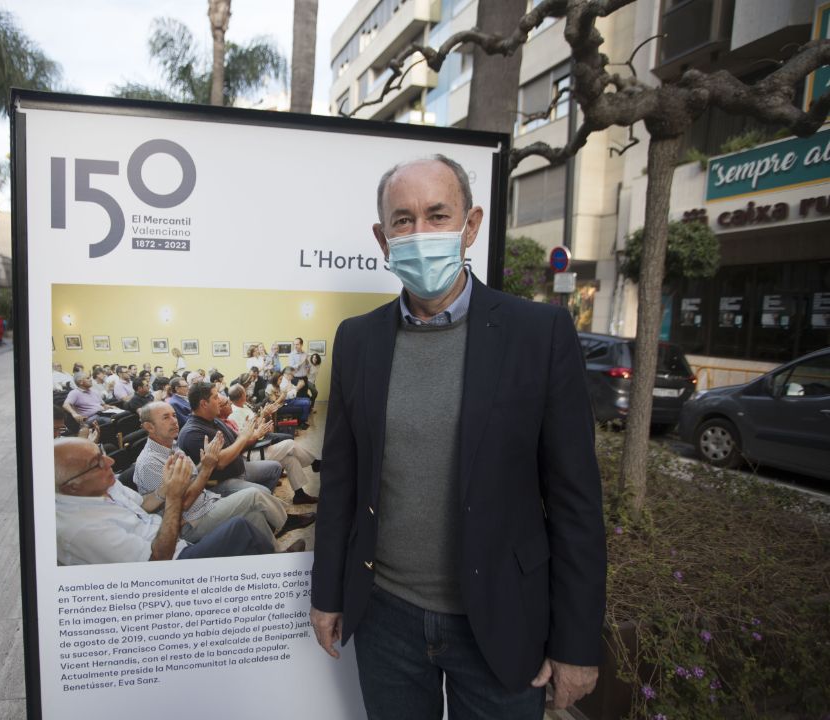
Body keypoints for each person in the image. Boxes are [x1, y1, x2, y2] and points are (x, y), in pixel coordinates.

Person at [309, 155, 606, 718]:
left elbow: (576, 504)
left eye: (437, 215)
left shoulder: (537, 335)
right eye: (403, 220)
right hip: (385, 619)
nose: (420, 233)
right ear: (382, 237)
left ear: (470, 226)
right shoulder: (358, 341)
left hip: (501, 620)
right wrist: (327, 595)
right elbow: (341, 485)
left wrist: (576, 645)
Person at [54, 437, 274, 564]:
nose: (110, 461)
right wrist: (174, 497)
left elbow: (141, 506)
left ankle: (273, 566)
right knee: (240, 526)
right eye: (97, 463)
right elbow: (158, 560)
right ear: (71, 485)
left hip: (177, 530)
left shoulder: (104, 483)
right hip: (171, 560)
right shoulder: (80, 528)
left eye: (102, 453)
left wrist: (166, 489)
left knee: (253, 516)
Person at [133, 402, 312, 547]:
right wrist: (208, 467)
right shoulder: (150, 462)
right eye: (166, 417)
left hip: (206, 501)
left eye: (173, 415)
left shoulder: (171, 445)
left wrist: (204, 463)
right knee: (255, 495)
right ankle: (287, 521)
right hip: (190, 522)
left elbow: (191, 477)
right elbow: (182, 505)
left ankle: (275, 556)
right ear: (149, 426)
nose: (174, 420)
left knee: (255, 516)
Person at [177, 381, 284, 496]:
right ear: (204, 404)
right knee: (264, 493)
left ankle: (257, 508)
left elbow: (238, 442)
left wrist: (253, 434)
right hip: (219, 483)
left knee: (275, 468)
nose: (219, 401)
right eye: (215, 397)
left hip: (239, 469)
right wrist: (244, 437)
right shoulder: (192, 433)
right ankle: (261, 504)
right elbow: (220, 462)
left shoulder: (215, 420)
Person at [225, 385, 319, 504]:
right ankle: (315, 463)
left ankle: (299, 495)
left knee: (291, 459)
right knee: (290, 443)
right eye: (225, 403)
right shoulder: (234, 415)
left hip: (257, 443)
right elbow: (244, 438)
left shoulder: (239, 410)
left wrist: (264, 417)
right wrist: (259, 428)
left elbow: (254, 426)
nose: (228, 403)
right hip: (249, 453)